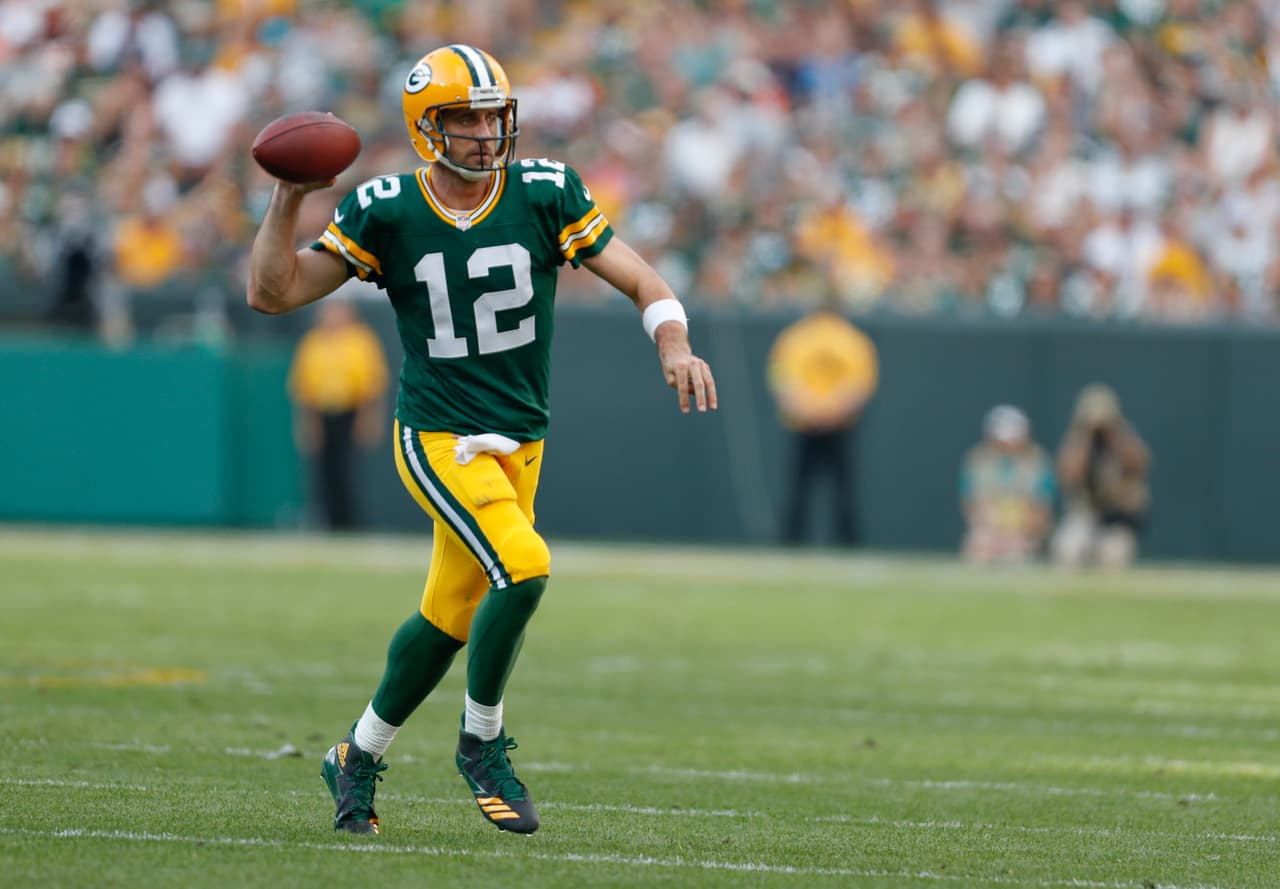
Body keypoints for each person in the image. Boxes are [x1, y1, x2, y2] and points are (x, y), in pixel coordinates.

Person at [246, 44, 717, 837]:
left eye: (491, 115)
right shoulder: (386, 207)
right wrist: (290, 199)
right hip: (438, 436)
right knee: (525, 566)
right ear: (426, 126)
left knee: (446, 618)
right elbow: (273, 292)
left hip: (521, 440)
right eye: (464, 117)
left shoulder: (545, 189)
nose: (482, 131)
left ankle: (355, 756)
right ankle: (482, 741)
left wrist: (673, 341)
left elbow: (643, 278)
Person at [766, 275, 878, 546]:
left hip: (819, 424)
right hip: (825, 424)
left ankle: (801, 545)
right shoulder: (848, 339)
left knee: (830, 492)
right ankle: (828, 544)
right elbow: (785, 383)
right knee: (817, 491)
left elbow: (784, 383)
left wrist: (813, 411)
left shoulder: (798, 337)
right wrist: (827, 412)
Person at [287, 298, 390, 530]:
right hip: (322, 413)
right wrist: (308, 425)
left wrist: (368, 421)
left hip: (350, 412)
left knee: (348, 469)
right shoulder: (313, 342)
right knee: (323, 470)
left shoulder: (360, 340)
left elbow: (371, 387)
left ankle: (351, 522)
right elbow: (303, 389)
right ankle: (327, 520)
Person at [1050, 383, 1150, 568]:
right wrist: (1084, 433)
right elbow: (1069, 475)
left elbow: (1139, 464)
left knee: (1113, 557)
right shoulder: (1079, 440)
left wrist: (1114, 429)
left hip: (1118, 519)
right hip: (1085, 515)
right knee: (1068, 550)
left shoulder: (1123, 438)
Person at [958, 404, 1056, 564]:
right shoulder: (977, 461)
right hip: (988, 531)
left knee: (1015, 557)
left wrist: (1021, 533)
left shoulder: (1039, 463)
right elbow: (971, 504)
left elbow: (1042, 509)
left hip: (1025, 535)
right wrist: (991, 529)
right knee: (979, 549)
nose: (1007, 445)